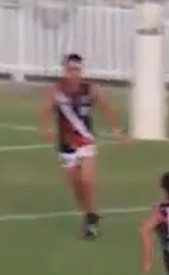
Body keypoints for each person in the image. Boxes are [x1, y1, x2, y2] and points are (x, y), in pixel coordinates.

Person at [38, 53, 123, 239]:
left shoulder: (91, 89)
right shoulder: (56, 91)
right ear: (64, 70)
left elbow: (106, 107)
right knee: (76, 185)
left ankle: (92, 219)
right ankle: (88, 214)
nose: (74, 74)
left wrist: (116, 129)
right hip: (65, 145)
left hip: (86, 142)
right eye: (70, 70)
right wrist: (44, 129)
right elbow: (45, 110)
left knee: (87, 180)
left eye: (77, 69)